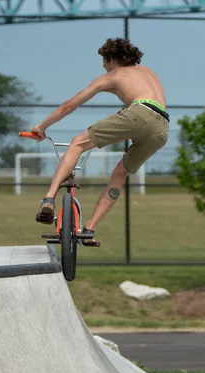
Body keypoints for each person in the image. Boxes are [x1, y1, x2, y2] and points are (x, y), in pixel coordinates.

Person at [30, 38, 170, 246]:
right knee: (119, 174)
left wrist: (41, 127)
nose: (103, 67)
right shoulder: (148, 72)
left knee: (78, 143)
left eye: (104, 62)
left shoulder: (113, 75)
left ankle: (49, 198)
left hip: (140, 113)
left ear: (112, 59)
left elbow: (69, 105)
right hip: (162, 128)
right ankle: (90, 229)